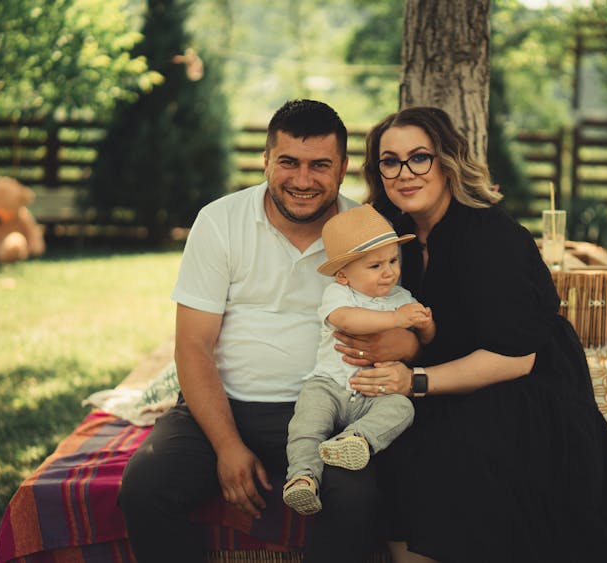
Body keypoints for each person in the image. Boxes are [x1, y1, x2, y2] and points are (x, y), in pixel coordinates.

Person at [118, 99, 420, 563]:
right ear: (266, 161)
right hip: (224, 402)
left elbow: (405, 326)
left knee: (356, 498)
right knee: (144, 489)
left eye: (320, 165)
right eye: (288, 163)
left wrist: (402, 342)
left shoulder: (366, 231)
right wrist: (227, 446)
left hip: (327, 406)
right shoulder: (220, 221)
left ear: (342, 169)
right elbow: (193, 347)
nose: (302, 180)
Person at [335, 106, 607, 563]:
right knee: (391, 448)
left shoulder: (492, 238)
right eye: (389, 161)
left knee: (452, 454)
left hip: (523, 389)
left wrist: (413, 381)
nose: (404, 173)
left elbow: (515, 358)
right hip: (445, 377)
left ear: (448, 161)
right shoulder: (390, 234)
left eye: (420, 157)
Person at [283, 204, 435, 516]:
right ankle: (302, 478)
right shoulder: (340, 296)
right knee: (307, 424)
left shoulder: (402, 297)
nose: (390, 271)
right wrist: (396, 319)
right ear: (343, 274)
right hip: (328, 385)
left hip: (373, 394)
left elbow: (425, 342)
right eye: (375, 266)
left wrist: (426, 325)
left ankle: (356, 441)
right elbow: (348, 321)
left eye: (393, 260)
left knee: (402, 408)